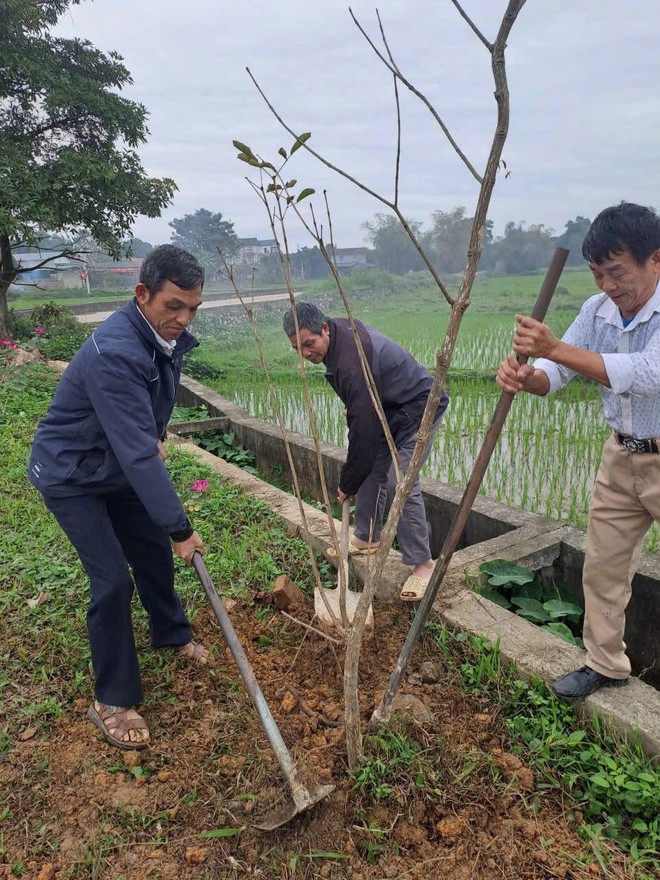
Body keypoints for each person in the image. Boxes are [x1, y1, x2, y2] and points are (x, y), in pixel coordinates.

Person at [29, 244, 209, 749]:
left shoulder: (158, 338)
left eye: (192, 308)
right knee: (111, 580)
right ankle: (113, 697)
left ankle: (171, 634)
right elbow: (138, 454)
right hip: (71, 474)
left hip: (114, 464)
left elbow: (141, 429)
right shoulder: (116, 351)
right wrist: (180, 525)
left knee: (152, 554)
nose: (183, 317)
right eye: (173, 306)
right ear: (142, 293)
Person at [496, 202, 660, 701]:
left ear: (656, 260)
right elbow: (558, 375)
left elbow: (647, 374)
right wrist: (528, 378)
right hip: (621, 456)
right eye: (597, 274)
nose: (608, 286)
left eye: (617, 272)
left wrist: (553, 350)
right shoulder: (596, 312)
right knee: (604, 567)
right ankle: (606, 664)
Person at [283, 301, 449, 601]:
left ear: (324, 329)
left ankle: (423, 564)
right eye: (298, 348)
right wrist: (359, 407)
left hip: (420, 407)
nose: (305, 354)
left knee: (402, 482)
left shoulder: (349, 363)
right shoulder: (338, 333)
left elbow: (363, 429)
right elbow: (363, 405)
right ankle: (366, 536)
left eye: (309, 344)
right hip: (389, 408)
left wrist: (348, 482)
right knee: (373, 467)